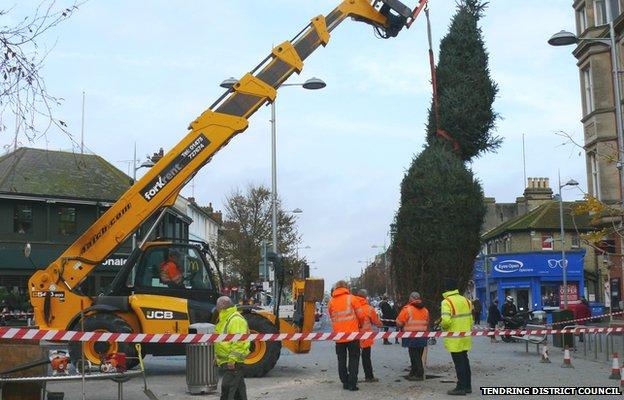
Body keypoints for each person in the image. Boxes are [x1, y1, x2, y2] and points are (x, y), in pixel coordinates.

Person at [328, 280, 365, 391]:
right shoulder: (352, 298)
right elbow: (361, 315)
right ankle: (352, 384)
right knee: (354, 358)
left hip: (339, 336)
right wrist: (360, 325)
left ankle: (344, 382)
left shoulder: (331, 301)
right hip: (352, 334)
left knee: (341, 359)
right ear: (346, 287)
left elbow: (332, 316)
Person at [440, 278, 473, 396]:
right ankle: (468, 386)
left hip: (454, 338)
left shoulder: (446, 302)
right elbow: (471, 320)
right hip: (465, 336)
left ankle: (461, 387)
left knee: (459, 363)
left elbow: (446, 321)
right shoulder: (466, 300)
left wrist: (442, 326)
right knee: (465, 361)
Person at [214, 296, 250, 400]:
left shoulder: (235, 320)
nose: (216, 307)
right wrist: (217, 357)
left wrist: (232, 359)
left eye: (217, 305)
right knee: (238, 391)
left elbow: (239, 342)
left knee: (227, 390)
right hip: (229, 361)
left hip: (233, 362)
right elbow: (221, 341)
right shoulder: (225, 318)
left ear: (222, 306)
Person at [396, 291, 429, 381]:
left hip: (411, 335)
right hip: (422, 335)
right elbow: (427, 322)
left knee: (414, 355)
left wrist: (400, 325)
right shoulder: (425, 310)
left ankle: (418, 373)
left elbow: (399, 322)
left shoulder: (407, 309)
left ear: (411, 298)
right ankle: (414, 372)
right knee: (419, 353)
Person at [355, 289, 382, 382]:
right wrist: (380, 324)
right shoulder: (369, 308)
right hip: (366, 336)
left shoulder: (351, 307)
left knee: (354, 358)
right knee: (366, 357)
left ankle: (353, 378)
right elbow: (376, 322)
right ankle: (369, 376)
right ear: (365, 297)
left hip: (353, 336)